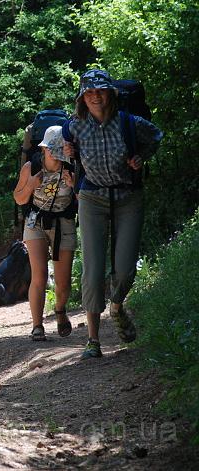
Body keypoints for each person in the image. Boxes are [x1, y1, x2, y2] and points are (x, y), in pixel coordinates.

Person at [62, 69, 163, 359]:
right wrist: (67, 152)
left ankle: (117, 306)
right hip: (92, 199)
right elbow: (63, 152)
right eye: (89, 92)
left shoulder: (130, 123)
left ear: (111, 93)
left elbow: (156, 136)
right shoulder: (74, 127)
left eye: (101, 90)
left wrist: (142, 157)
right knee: (92, 271)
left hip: (128, 197)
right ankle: (93, 340)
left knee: (125, 268)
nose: (95, 96)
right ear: (82, 98)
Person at [13, 125, 77, 341]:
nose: (55, 155)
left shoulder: (73, 166)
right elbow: (19, 198)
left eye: (59, 150)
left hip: (64, 222)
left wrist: (74, 186)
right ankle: (37, 326)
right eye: (52, 150)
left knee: (63, 282)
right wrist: (31, 184)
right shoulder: (31, 167)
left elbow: (86, 201)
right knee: (39, 274)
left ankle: (60, 310)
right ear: (43, 149)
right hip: (36, 221)